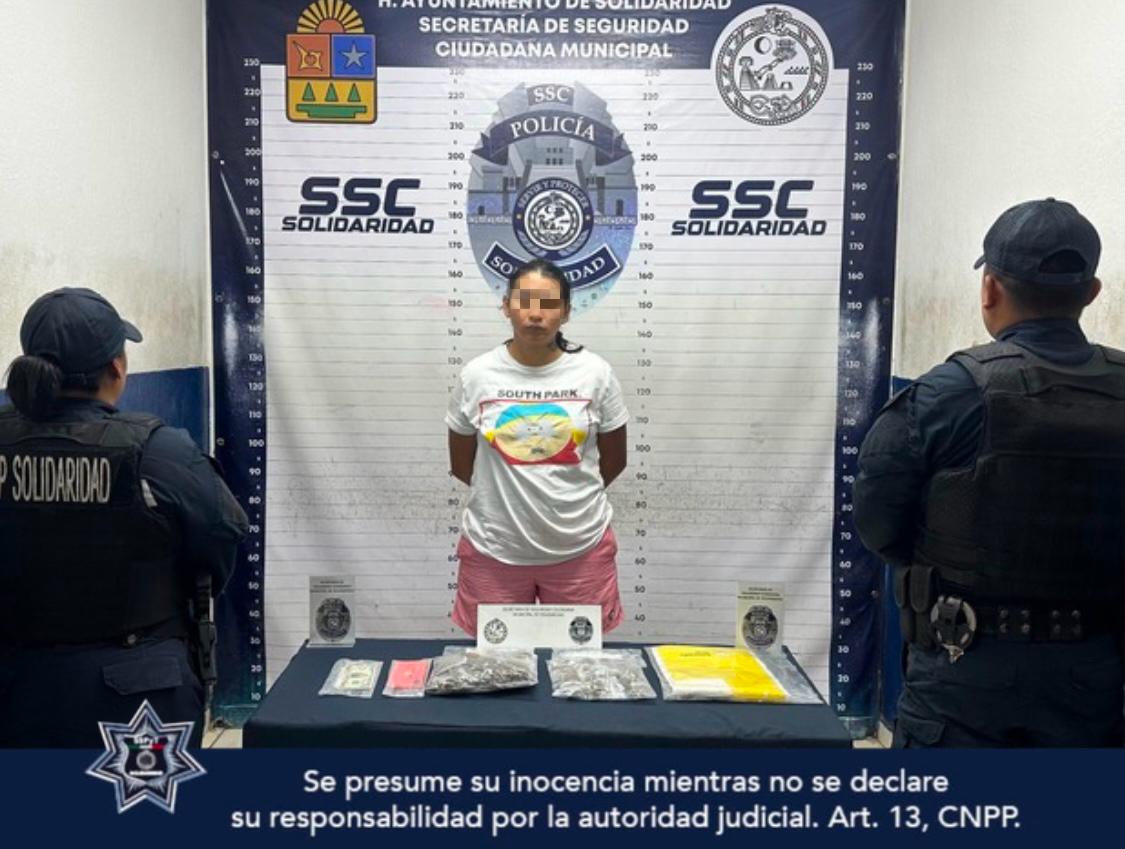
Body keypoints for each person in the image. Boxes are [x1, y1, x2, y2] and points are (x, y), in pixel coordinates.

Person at [855, 198, 1125, 747]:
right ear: (1092, 292)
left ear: (990, 289)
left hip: (963, 672)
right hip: (1093, 677)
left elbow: (879, 525)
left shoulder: (947, 394)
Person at [0, 287, 248, 747]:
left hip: (16, 688)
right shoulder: (156, 451)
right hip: (137, 693)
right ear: (117, 368)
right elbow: (221, 535)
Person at [445, 259, 629, 636]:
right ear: (506, 306)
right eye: (524, 301)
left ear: (566, 311)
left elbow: (615, 460)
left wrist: (564, 497)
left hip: (580, 548)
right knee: (496, 664)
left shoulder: (596, 374)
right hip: (494, 549)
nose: (535, 314)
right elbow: (463, 466)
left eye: (548, 304)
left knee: (578, 662)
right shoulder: (477, 375)